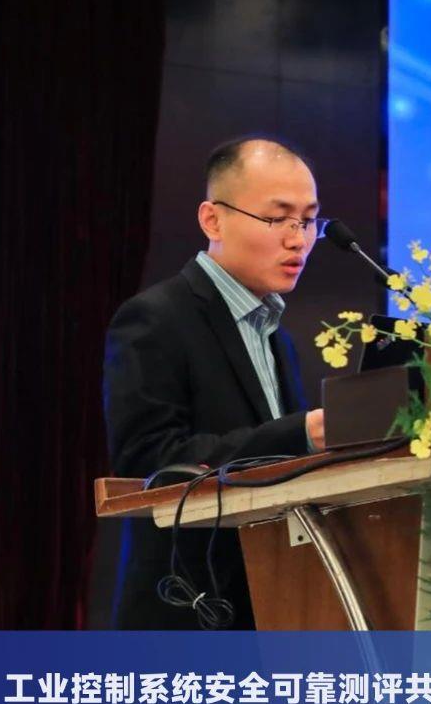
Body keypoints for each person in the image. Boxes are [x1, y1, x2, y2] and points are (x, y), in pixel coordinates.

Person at [103, 137, 327, 629]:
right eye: (278, 219)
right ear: (213, 220)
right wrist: (301, 434)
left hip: (276, 604)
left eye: (309, 221)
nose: (298, 240)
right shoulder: (155, 319)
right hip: (190, 613)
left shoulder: (276, 334)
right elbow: (149, 462)